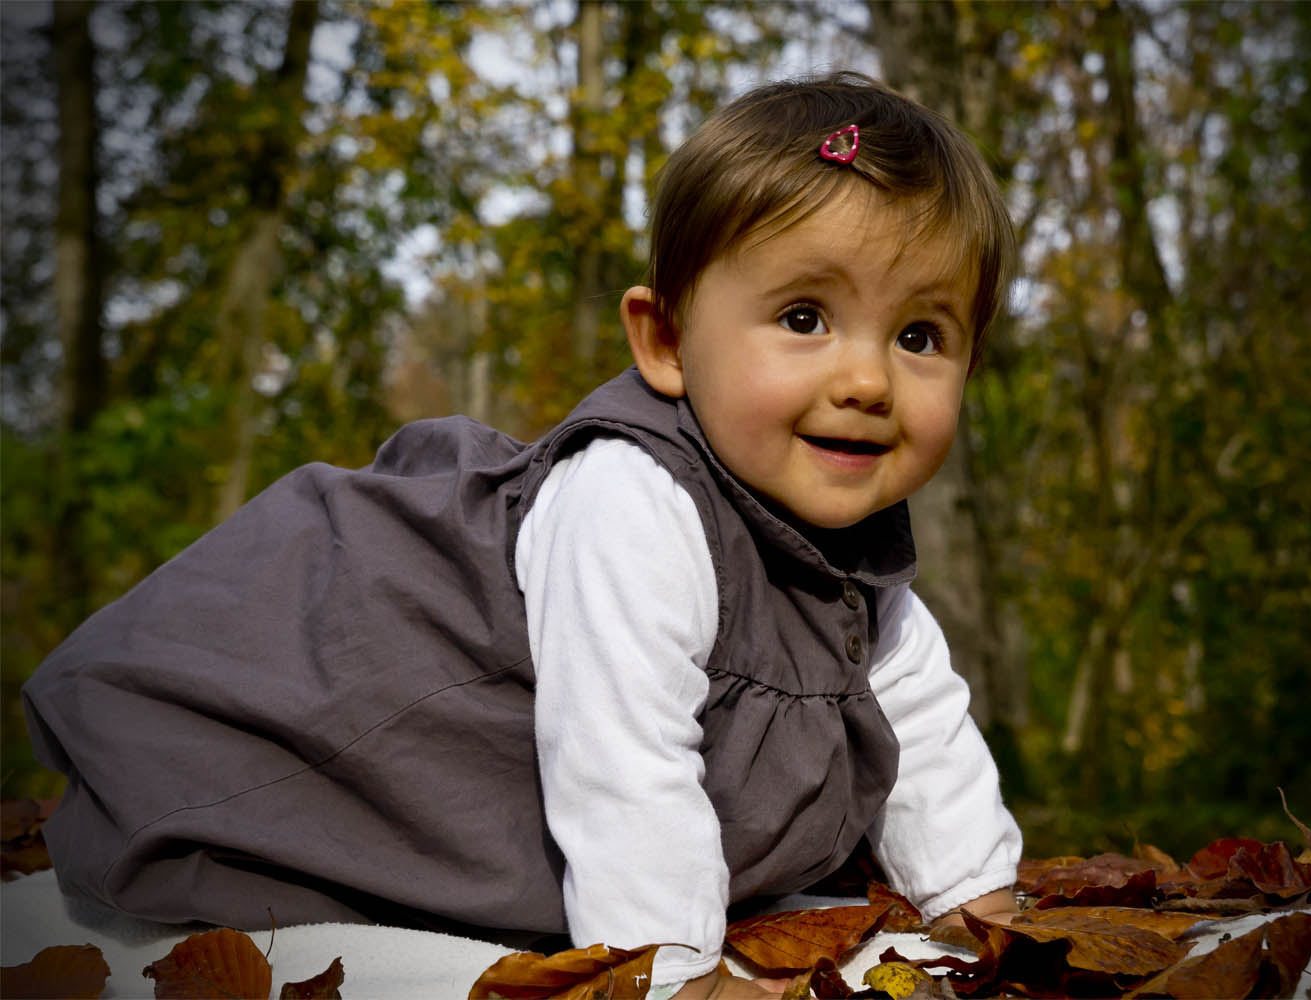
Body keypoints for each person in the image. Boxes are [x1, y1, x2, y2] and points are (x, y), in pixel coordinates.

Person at [23, 72, 1023, 999]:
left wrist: (982, 902)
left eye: (920, 336)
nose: (867, 379)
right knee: (259, 863)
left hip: (509, 811)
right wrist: (668, 967)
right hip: (364, 733)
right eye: (805, 316)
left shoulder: (860, 570)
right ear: (667, 342)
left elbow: (925, 724)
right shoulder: (633, 499)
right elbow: (621, 758)